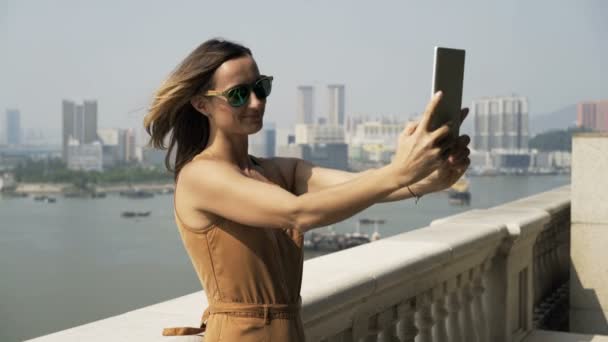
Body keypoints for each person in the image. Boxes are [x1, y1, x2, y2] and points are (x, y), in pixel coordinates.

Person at [144, 38, 470, 342]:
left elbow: (366, 185)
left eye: (261, 88)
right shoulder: (200, 176)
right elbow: (299, 213)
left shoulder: (276, 171)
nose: (256, 102)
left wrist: (433, 178)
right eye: (239, 94)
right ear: (202, 105)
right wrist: (398, 171)